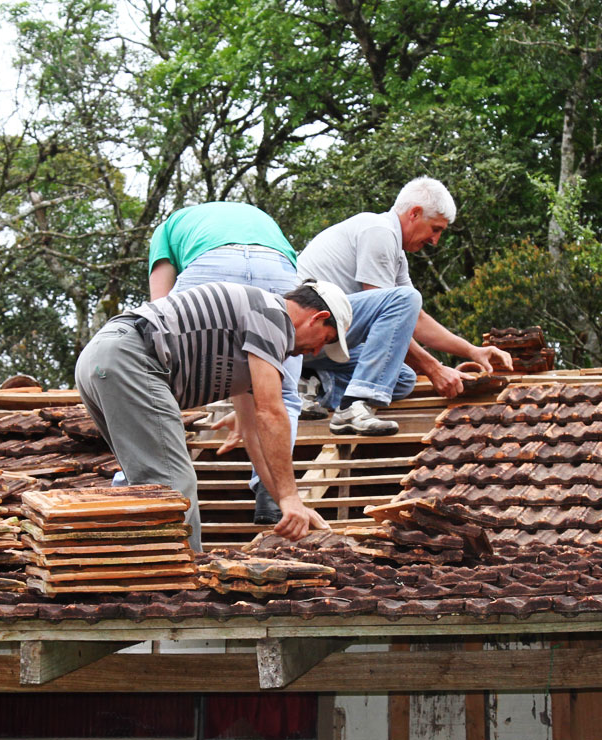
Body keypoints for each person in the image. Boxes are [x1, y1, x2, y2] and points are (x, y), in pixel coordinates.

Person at [75, 280, 354, 552]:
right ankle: (181, 578)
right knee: (173, 485)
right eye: (325, 340)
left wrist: (286, 501)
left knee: (149, 484)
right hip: (130, 357)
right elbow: (271, 412)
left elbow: (254, 432)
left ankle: (138, 565)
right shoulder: (273, 316)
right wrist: (291, 496)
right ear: (318, 317)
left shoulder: (255, 331)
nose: (316, 352)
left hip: (101, 358)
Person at [297, 176, 513, 434]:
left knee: (402, 378)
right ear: (414, 213)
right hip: (305, 333)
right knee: (405, 301)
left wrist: (472, 351)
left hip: (330, 341)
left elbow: (415, 319)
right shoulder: (378, 232)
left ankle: (312, 382)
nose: (435, 240)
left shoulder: (396, 252)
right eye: (435, 229)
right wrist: (434, 369)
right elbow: (390, 316)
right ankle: (354, 406)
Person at [146, 201, 302, 524]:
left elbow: (158, 314)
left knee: (156, 377)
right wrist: (244, 411)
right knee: (283, 394)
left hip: (212, 264)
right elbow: (253, 366)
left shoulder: (166, 229)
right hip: (277, 268)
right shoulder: (262, 221)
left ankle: (136, 485)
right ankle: (272, 494)